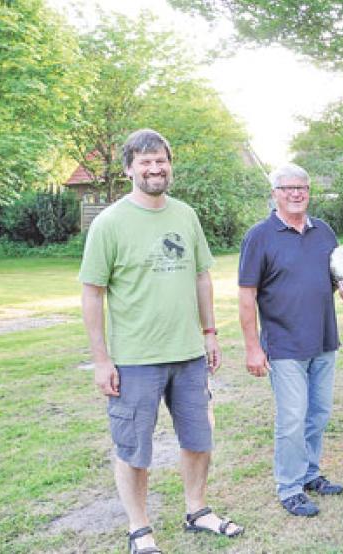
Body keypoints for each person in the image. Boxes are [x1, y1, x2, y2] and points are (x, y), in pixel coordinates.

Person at [80, 129, 242, 554]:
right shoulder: (109, 223)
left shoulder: (185, 215)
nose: (155, 168)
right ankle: (139, 528)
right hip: (135, 359)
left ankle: (198, 510)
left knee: (198, 437)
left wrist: (209, 333)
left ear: (171, 165)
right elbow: (92, 292)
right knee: (134, 447)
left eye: (161, 161)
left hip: (188, 353)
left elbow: (202, 276)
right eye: (145, 162)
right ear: (129, 168)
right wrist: (101, 359)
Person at [238, 163, 343, 517]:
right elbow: (247, 296)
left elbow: (335, 279)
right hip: (284, 344)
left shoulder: (324, 231)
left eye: (302, 188)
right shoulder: (259, 236)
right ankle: (289, 487)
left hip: (323, 339)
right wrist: (252, 347)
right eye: (288, 188)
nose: (296, 194)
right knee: (292, 417)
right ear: (275, 194)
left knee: (318, 414)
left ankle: (310, 474)